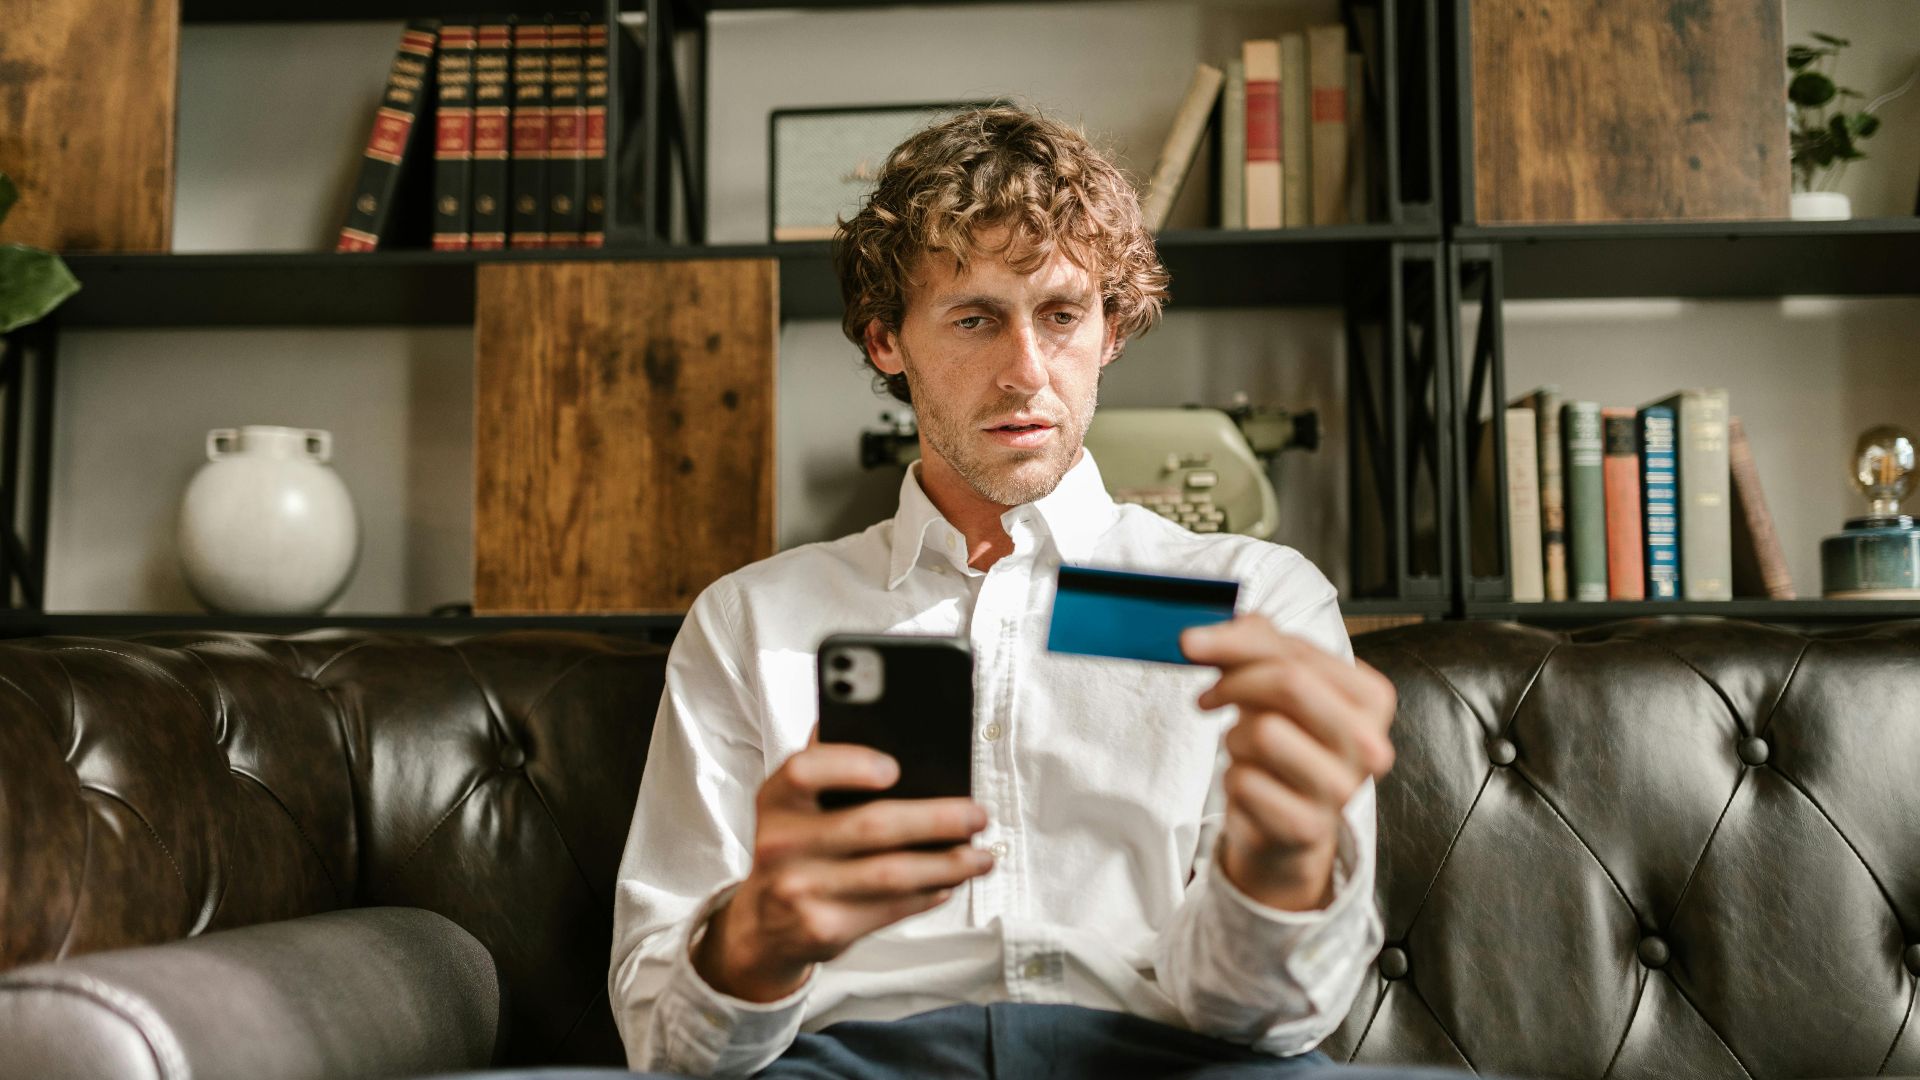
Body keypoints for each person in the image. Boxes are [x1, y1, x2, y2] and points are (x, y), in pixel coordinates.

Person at [607, 104, 1462, 1080]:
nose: (1025, 373)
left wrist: (1276, 872)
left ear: (1109, 331)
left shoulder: (1254, 598)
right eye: (974, 319)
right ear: (887, 339)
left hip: (1174, 1064)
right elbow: (665, 1052)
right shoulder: (751, 620)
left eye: (1061, 315)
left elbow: (1264, 1023)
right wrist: (754, 939)